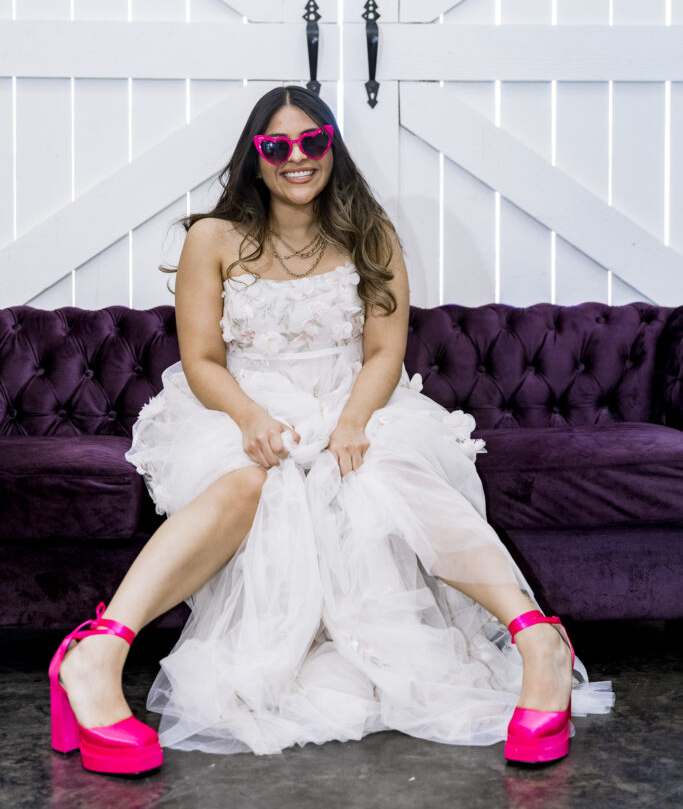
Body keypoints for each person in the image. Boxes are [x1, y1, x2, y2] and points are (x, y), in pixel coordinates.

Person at [49, 85, 614, 774]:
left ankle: (538, 641)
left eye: (312, 140)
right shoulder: (211, 239)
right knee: (245, 484)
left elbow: (383, 353)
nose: (297, 156)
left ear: (332, 147)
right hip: (245, 403)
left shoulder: (370, 233)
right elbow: (200, 360)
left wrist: (352, 424)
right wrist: (250, 418)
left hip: (356, 401)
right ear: (255, 157)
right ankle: (97, 653)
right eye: (276, 144)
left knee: (388, 473)